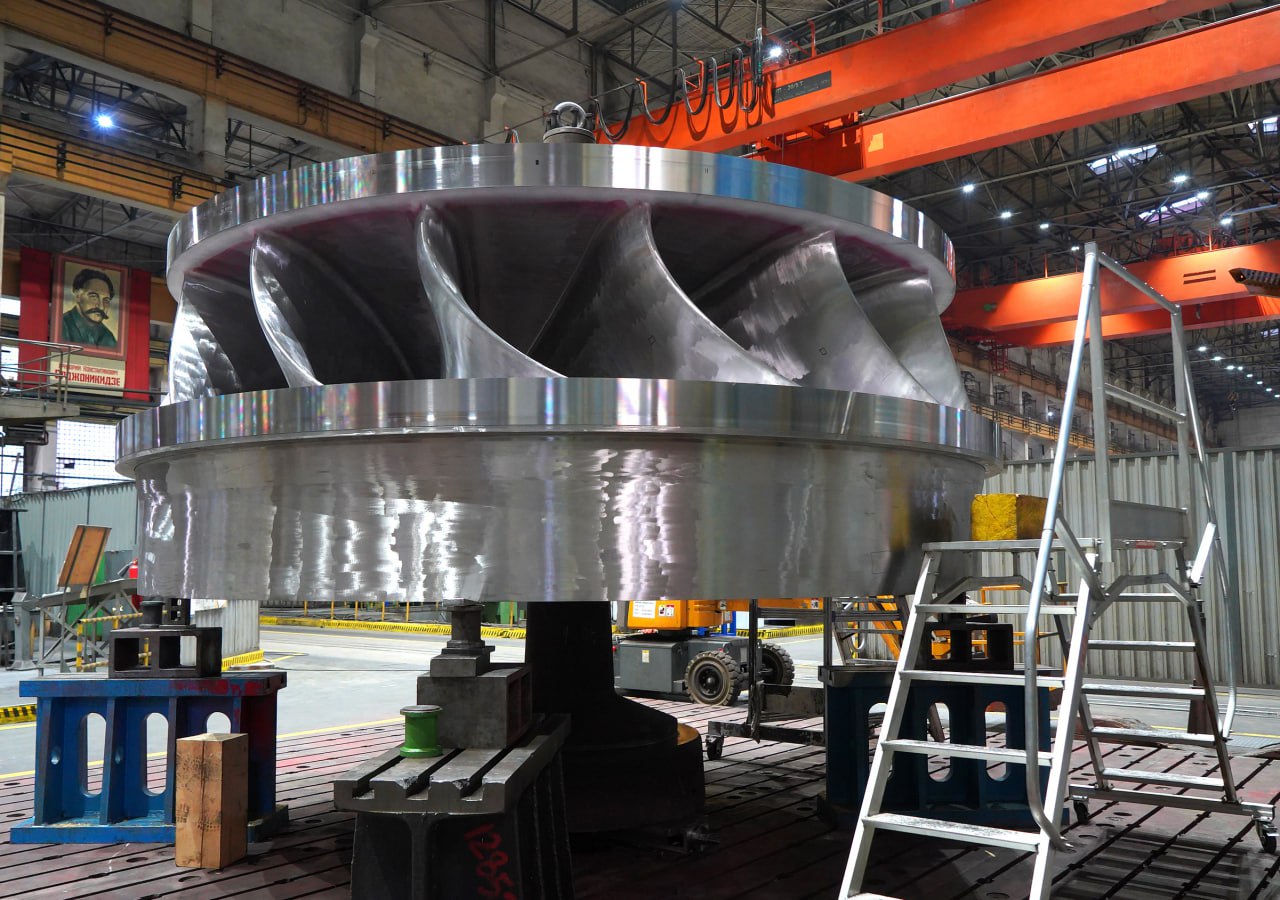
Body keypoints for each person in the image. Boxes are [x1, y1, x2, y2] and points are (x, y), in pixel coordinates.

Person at [62, 268, 118, 349]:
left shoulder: (108, 337)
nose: (101, 307)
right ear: (78, 295)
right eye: (94, 297)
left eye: (106, 300)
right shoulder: (62, 326)